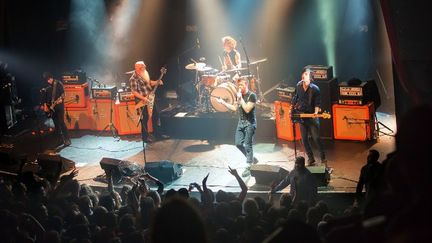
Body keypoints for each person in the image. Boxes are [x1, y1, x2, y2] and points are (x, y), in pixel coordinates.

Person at [216, 78, 258, 177]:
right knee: (238, 144)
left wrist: (241, 99)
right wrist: (223, 102)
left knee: (248, 145)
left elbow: (247, 109)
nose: (239, 87)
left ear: (246, 85)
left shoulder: (252, 96)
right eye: (238, 85)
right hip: (241, 123)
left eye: (241, 85)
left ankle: (249, 166)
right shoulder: (238, 96)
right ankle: (251, 159)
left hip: (250, 123)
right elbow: (234, 108)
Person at [291, 68, 326, 166]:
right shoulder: (298, 85)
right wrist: (292, 106)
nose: (304, 75)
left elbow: (317, 103)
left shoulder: (315, 89)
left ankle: (323, 158)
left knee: (316, 138)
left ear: (310, 77)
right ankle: (311, 158)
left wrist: (315, 113)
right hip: (302, 117)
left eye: (306, 74)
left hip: (312, 117)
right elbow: (296, 97)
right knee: (304, 139)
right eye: (303, 73)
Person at [129, 61, 163, 143]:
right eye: (142, 67)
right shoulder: (133, 78)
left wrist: (157, 82)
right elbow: (134, 92)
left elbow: (149, 83)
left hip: (150, 98)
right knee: (145, 119)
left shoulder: (144, 73)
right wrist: (143, 98)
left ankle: (157, 134)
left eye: (144, 66)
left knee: (156, 114)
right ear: (137, 68)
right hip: (142, 101)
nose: (144, 68)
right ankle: (145, 138)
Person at [41, 72, 71, 146]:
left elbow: (63, 94)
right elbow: (44, 95)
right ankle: (60, 140)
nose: (48, 81)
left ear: (51, 77)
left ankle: (67, 139)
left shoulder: (58, 83)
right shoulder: (47, 85)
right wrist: (44, 104)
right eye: (47, 80)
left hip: (59, 107)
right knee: (56, 124)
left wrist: (61, 99)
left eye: (49, 79)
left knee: (61, 122)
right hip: (51, 108)